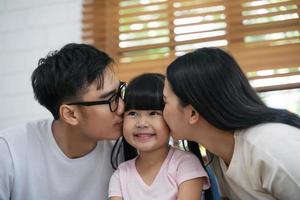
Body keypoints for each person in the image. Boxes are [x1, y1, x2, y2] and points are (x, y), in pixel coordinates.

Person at [162, 47, 300, 200]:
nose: (162, 111)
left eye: (165, 102)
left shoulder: (271, 147)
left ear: (192, 113)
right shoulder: (216, 153)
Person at [0, 43, 125, 200]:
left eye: (120, 92)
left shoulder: (126, 151)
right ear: (70, 114)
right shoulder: (9, 151)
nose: (122, 107)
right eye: (110, 100)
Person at [108, 73, 211, 200]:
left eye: (153, 113)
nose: (142, 123)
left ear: (171, 117)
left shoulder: (185, 164)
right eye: (133, 113)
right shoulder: (121, 174)